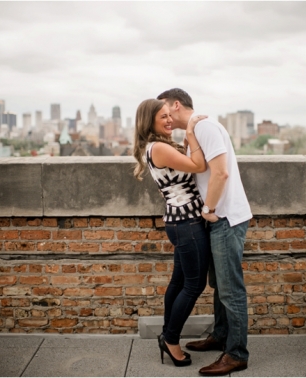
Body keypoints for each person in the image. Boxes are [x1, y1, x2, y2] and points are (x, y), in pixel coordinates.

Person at [157, 88, 253, 376]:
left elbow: (220, 172)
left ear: (176, 104)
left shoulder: (206, 126)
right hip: (216, 219)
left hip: (224, 217)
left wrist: (208, 208)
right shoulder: (195, 131)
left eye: (165, 111)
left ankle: (236, 354)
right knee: (219, 286)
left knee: (231, 289)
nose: (165, 117)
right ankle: (221, 336)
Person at [133, 98, 210, 367]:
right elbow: (199, 166)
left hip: (180, 222)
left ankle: (169, 333)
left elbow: (186, 165)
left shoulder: (156, 147)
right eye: (162, 117)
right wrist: (190, 132)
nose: (169, 120)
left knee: (179, 283)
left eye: (169, 115)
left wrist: (186, 142)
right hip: (186, 224)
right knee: (194, 285)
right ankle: (171, 339)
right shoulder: (159, 148)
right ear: (149, 122)